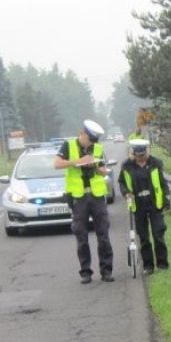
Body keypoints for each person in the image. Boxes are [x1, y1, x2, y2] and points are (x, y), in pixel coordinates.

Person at [54, 120, 114, 284]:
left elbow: (103, 172)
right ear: (82, 134)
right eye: (89, 140)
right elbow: (57, 164)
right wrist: (78, 161)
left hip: (97, 196)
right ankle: (85, 272)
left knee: (103, 234)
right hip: (79, 197)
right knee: (81, 236)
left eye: (93, 141)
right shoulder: (68, 145)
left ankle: (107, 271)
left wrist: (95, 166)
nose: (91, 144)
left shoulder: (98, 148)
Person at [119, 138, 171, 275]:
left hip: (154, 203)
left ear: (146, 152)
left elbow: (164, 183)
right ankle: (148, 266)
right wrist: (126, 193)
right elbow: (122, 183)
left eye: (143, 155)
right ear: (134, 153)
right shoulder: (127, 166)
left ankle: (162, 264)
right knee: (143, 237)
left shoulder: (156, 163)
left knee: (158, 234)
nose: (141, 158)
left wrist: (166, 199)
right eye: (138, 156)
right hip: (138, 204)